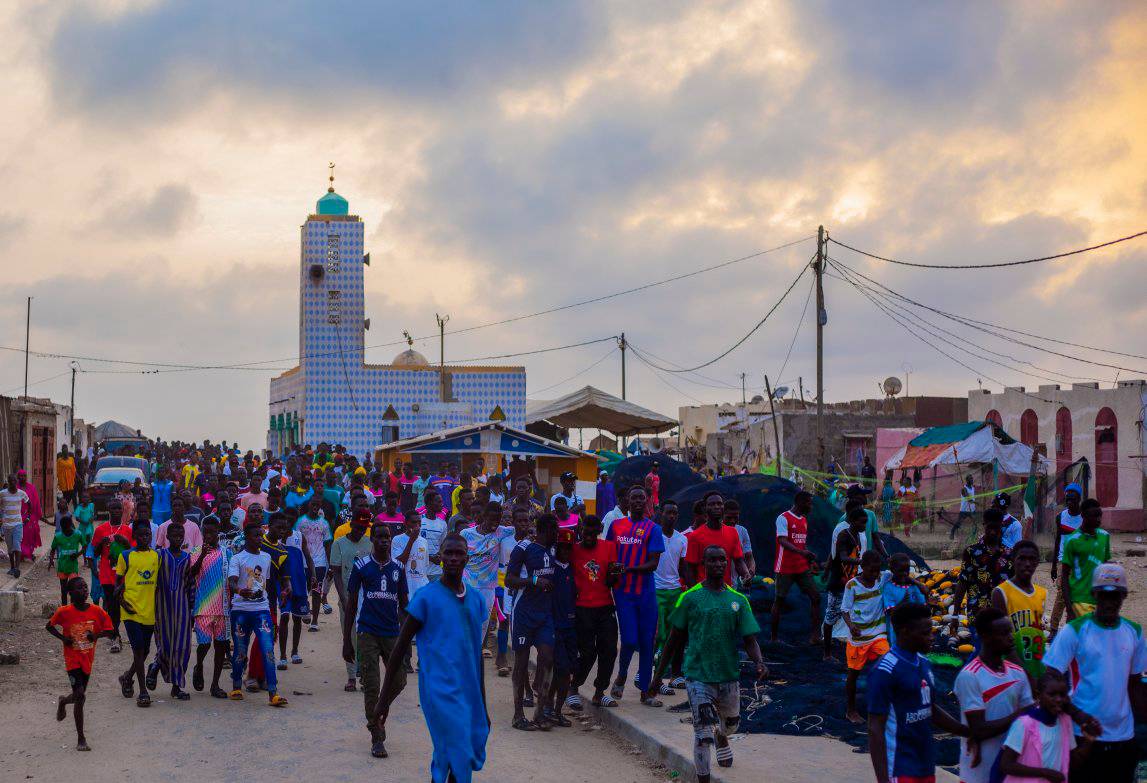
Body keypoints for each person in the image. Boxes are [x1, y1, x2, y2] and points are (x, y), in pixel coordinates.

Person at [375, 534, 489, 783]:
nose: (453, 558)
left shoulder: (477, 601)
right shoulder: (426, 598)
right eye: (449, 553)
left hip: (467, 692)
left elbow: (476, 654)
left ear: (467, 558)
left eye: (459, 553)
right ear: (440, 557)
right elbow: (399, 649)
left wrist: (482, 703)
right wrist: (383, 700)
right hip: (438, 691)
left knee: (454, 754)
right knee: (458, 751)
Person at [650, 544, 767, 783]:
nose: (718, 564)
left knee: (732, 724)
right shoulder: (689, 598)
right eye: (712, 560)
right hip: (698, 676)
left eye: (722, 559)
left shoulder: (738, 600)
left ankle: (722, 736)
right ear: (704, 564)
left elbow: (750, 639)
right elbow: (673, 640)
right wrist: (657, 677)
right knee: (702, 734)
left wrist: (759, 662)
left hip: (728, 674)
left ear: (727, 563)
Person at [1045, 563, 1144, 781]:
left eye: (1115, 595)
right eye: (1104, 595)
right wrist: (1077, 715)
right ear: (1094, 595)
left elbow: (1135, 685)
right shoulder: (1074, 630)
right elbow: (1049, 677)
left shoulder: (1134, 632)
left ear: (1124, 596)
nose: (1109, 601)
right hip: (1083, 735)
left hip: (1123, 736)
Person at [867, 603, 969, 783]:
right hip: (900, 768)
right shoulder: (885, 670)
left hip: (925, 765)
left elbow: (930, 708)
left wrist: (966, 731)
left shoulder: (923, 663)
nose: (931, 638)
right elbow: (875, 729)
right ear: (905, 632)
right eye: (925, 633)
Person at [343, 523, 408, 758]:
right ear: (372, 539)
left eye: (387, 537)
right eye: (379, 537)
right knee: (371, 684)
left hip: (392, 632)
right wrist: (347, 640)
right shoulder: (362, 566)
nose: (384, 541)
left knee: (400, 680)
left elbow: (404, 605)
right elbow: (351, 604)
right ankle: (376, 736)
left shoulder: (398, 568)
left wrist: (407, 636)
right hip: (367, 632)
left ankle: (381, 706)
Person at [953, 608, 1034, 783]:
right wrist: (1019, 715)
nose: (1011, 638)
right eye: (1004, 633)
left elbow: (1031, 719)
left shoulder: (1018, 673)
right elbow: (979, 729)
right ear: (985, 636)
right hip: (977, 774)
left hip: (1010, 773)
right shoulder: (970, 676)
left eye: (1010, 632)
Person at [606, 485, 665, 706]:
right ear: (627, 501)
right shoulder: (616, 526)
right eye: (634, 498)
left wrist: (628, 569)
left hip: (646, 593)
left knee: (648, 642)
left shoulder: (653, 529)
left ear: (648, 501)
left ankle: (645, 692)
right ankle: (622, 675)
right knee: (630, 640)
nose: (638, 501)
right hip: (623, 593)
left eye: (642, 498)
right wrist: (611, 575)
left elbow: (653, 563)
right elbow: (609, 556)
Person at [46, 576, 115, 751]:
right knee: (80, 695)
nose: (84, 590)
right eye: (79, 588)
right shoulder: (64, 612)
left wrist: (96, 636)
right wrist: (63, 639)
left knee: (79, 695)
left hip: (87, 660)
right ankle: (81, 738)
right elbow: (49, 626)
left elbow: (110, 630)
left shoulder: (97, 611)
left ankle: (63, 701)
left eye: (85, 587)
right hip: (72, 660)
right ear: (70, 593)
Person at [227, 519, 290, 707]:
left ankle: (273, 693)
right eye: (256, 536)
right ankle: (236, 686)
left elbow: (265, 583)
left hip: (261, 609)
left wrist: (283, 592)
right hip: (240, 610)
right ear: (247, 537)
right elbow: (232, 581)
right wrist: (240, 591)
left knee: (268, 649)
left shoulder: (266, 558)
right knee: (240, 650)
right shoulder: (237, 558)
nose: (260, 539)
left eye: (261, 536)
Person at [506, 512, 558, 730]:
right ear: (546, 531)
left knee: (547, 657)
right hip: (523, 613)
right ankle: (518, 715)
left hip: (544, 614)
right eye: (555, 531)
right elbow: (509, 580)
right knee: (521, 661)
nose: (558, 535)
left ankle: (540, 712)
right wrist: (534, 580)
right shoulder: (523, 548)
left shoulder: (554, 550)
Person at [567, 514, 622, 710]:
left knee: (609, 650)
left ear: (599, 531)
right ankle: (573, 688)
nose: (589, 537)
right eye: (586, 533)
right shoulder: (573, 550)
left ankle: (600, 693)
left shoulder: (609, 547)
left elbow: (612, 581)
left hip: (605, 606)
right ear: (581, 532)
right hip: (582, 608)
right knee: (587, 653)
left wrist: (615, 574)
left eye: (592, 533)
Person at [999, 670, 1094, 783]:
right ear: (1038, 695)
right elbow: (1006, 765)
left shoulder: (1065, 721)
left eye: (1062, 695)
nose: (1058, 699)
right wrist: (1045, 773)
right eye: (1052, 694)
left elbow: (1073, 761)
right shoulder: (1024, 724)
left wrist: (1089, 741)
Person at [950, 508, 1013, 650]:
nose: (993, 532)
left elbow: (1013, 587)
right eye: (989, 527)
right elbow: (963, 583)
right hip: (978, 615)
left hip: (1001, 616)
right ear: (984, 525)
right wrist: (955, 615)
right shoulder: (972, 552)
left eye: (996, 528)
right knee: (981, 651)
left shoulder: (1009, 554)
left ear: (1002, 526)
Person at [839, 550, 890, 723]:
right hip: (858, 638)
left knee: (887, 664)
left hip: (878, 634)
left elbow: (900, 571)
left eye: (877, 570)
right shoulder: (852, 585)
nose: (875, 574)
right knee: (853, 674)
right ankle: (850, 710)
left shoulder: (882, 578)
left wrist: (918, 583)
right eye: (871, 570)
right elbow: (845, 610)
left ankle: (884, 704)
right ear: (862, 567)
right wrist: (851, 626)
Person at [115, 519, 160, 708]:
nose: (145, 538)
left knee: (145, 650)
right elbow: (117, 586)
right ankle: (143, 691)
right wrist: (123, 603)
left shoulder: (156, 556)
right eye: (141, 535)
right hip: (130, 610)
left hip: (149, 611)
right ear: (134, 537)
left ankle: (127, 677)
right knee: (139, 649)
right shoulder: (126, 556)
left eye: (147, 534)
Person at [187, 515, 231, 698]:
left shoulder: (227, 553)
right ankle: (198, 665)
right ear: (202, 533)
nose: (209, 536)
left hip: (222, 609)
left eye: (213, 532)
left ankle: (215, 684)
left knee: (220, 646)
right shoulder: (195, 552)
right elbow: (191, 574)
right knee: (204, 645)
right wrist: (202, 555)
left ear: (218, 532)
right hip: (203, 608)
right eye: (206, 533)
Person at [148, 522, 193, 701]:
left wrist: (192, 609)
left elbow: (190, 584)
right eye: (174, 535)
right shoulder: (159, 555)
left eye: (180, 535)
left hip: (182, 608)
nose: (177, 538)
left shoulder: (187, 558)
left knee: (182, 647)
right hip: (162, 607)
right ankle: (156, 665)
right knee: (165, 643)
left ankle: (176, 686)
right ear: (167, 537)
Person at [992, 539, 1048, 681]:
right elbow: (1003, 640)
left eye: (1032, 559)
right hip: (1012, 670)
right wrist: (1025, 674)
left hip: (1037, 666)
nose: (1027, 564)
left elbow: (1038, 632)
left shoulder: (1042, 593)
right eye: (1022, 558)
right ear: (1013, 560)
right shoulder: (1001, 592)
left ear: (1037, 562)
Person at [330, 509, 374, 691]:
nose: (361, 531)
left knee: (365, 638)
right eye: (358, 527)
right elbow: (336, 573)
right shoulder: (339, 544)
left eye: (364, 528)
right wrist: (343, 598)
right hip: (347, 598)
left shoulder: (370, 544)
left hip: (366, 599)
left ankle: (364, 675)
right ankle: (351, 677)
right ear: (352, 524)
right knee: (349, 636)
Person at [770, 490, 821, 644]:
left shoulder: (804, 520)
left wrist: (810, 561)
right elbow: (782, 541)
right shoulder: (783, 518)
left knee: (816, 597)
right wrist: (802, 552)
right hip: (785, 567)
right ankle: (774, 638)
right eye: (809, 503)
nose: (811, 506)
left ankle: (815, 637)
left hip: (801, 567)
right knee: (779, 600)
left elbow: (801, 543)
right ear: (800, 503)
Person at [460, 501, 513, 641]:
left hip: (488, 589)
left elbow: (521, 529)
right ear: (484, 516)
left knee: (482, 629)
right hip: (467, 587)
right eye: (492, 519)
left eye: (498, 520)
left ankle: (476, 653)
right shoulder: (466, 534)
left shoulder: (502, 532)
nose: (495, 523)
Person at [544, 527, 578, 727]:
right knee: (561, 668)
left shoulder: (573, 568)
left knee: (568, 670)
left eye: (568, 548)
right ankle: (549, 706)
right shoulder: (551, 569)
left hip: (571, 627)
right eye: (562, 547)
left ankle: (556, 710)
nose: (565, 551)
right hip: (555, 626)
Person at [652, 499, 688, 689]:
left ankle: (664, 677)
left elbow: (682, 567)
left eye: (675, 513)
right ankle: (654, 677)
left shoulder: (682, 539)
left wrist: (691, 588)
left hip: (675, 591)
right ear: (661, 514)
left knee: (673, 636)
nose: (671, 516)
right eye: (668, 512)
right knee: (659, 634)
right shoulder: (653, 534)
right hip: (656, 590)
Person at [824, 506, 867, 662]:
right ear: (853, 521)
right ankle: (827, 654)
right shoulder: (844, 535)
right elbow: (842, 557)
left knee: (854, 614)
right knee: (831, 617)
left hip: (851, 581)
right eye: (862, 522)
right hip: (839, 582)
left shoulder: (856, 535)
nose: (864, 526)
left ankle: (855, 648)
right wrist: (862, 561)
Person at [1059, 498, 1110, 622]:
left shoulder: (1105, 536)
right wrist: (1069, 609)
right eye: (1094, 516)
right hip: (1079, 602)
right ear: (1083, 516)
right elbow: (1064, 576)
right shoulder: (1072, 540)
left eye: (1100, 515)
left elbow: (1106, 567)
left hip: (1100, 602)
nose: (1098, 519)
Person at [684, 491, 747, 587]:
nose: (716, 507)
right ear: (705, 508)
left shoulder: (732, 532)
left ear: (723, 507)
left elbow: (739, 561)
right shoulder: (695, 536)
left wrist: (746, 574)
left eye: (719, 503)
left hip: (725, 590)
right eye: (712, 504)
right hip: (704, 591)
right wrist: (695, 593)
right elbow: (690, 568)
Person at [277, 514, 315, 668]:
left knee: (297, 618)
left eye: (288, 524)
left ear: (292, 523)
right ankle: (283, 655)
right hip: (283, 584)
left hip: (299, 582)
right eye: (282, 525)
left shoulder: (299, 536)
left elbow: (308, 557)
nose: (285, 527)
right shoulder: (276, 540)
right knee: (284, 616)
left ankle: (295, 651)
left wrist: (313, 575)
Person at [1048, 483, 1083, 634]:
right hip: (1064, 560)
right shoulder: (1061, 517)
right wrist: (1054, 566)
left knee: (1076, 595)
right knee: (1062, 594)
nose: (1070, 503)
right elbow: (1058, 541)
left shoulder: (1084, 518)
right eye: (1067, 500)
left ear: (1079, 499)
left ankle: (1070, 627)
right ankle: (1053, 629)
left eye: (1073, 500)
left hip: (1080, 561)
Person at [294, 497, 332, 632]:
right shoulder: (300, 521)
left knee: (316, 590)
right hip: (304, 561)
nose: (315, 507)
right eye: (313, 504)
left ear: (320, 506)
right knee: (304, 589)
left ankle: (314, 622)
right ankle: (305, 607)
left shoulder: (324, 523)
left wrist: (330, 564)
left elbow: (328, 544)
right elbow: (295, 540)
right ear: (309, 505)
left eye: (318, 504)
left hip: (319, 562)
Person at [49, 514, 87, 604]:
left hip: (73, 566)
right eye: (64, 529)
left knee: (74, 589)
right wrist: (51, 559)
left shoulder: (78, 534)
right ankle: (64, 608)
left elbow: (85, 546)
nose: (66, 530)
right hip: (62, 566)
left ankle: (73, 607)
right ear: (61, 527)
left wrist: (77, 554)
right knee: (63, 590)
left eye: (67, 528)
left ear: (71, 525)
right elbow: (53, 549)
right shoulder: (58, 536)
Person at [722, 499, 755, 587]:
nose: (732, 521)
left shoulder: (742, 531)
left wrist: (750, 572)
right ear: (722, 515)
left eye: (735, 517)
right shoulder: (714, 531)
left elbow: (749, 557)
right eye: (729, 518)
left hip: (733, 584)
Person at [419, 489, 449, 583]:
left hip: (436, 572)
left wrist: (439, 555)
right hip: (419, 571)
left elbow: (443, 545)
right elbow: (415, 545)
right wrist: (430, 558)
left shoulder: (442, 524)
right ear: (429, 503)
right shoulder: (419, 521)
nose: (442, 504)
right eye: (439, 502)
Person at [2, 473, 29, 576]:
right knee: (10, 548)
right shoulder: (3, 493)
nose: (13, 483)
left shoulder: (21, 493)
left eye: (14, 481)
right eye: (11, 481)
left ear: (16, 482)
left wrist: (28, 517)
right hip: (7, 525)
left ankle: (17, 569)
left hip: (18, 524)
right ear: (8, 482)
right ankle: (12, 567)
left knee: (17, 545)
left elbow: (29, 504)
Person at [17, 469, 43, 562]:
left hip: (30, 516)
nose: (22, 478)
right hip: (18, 516)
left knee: (30, 535)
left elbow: (36, 502)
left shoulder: (32, 488)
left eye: (24, 476)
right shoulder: (15, 488)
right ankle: (21, 554)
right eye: (20, 476)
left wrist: (37, 515)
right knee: (20, 536)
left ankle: (28, 553)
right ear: (18, 477)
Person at [952, 475, 976, 541]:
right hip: (964, 509)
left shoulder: (973, 488)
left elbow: (972, 497)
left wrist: (974, 504)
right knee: (959, 522)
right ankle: (952, 532)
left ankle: (973, 536)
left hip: (972, 509)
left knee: (975, 523)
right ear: (967, 480)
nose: (972, 480)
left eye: (972, 479)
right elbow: (968, 498)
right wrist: (975, 502)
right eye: (970, 479)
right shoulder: (964, 489)